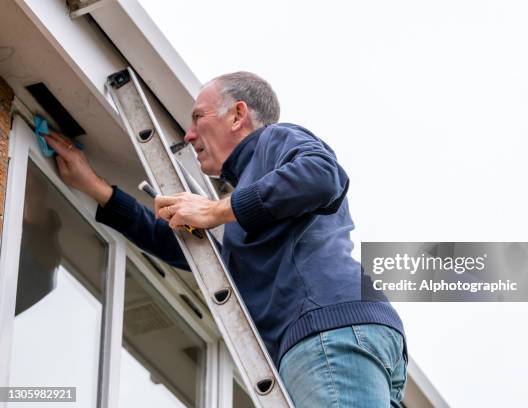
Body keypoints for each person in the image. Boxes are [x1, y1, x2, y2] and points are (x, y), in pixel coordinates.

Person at [46, 71, 408, 407]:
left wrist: (215, 211)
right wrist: (96, 188)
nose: (188, 135)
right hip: (344, 335)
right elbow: (193, 252)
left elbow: (321, 175)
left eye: (198, 117)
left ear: (237, 115)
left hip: (328, 331)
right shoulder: (250, 208)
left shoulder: (274, 141)